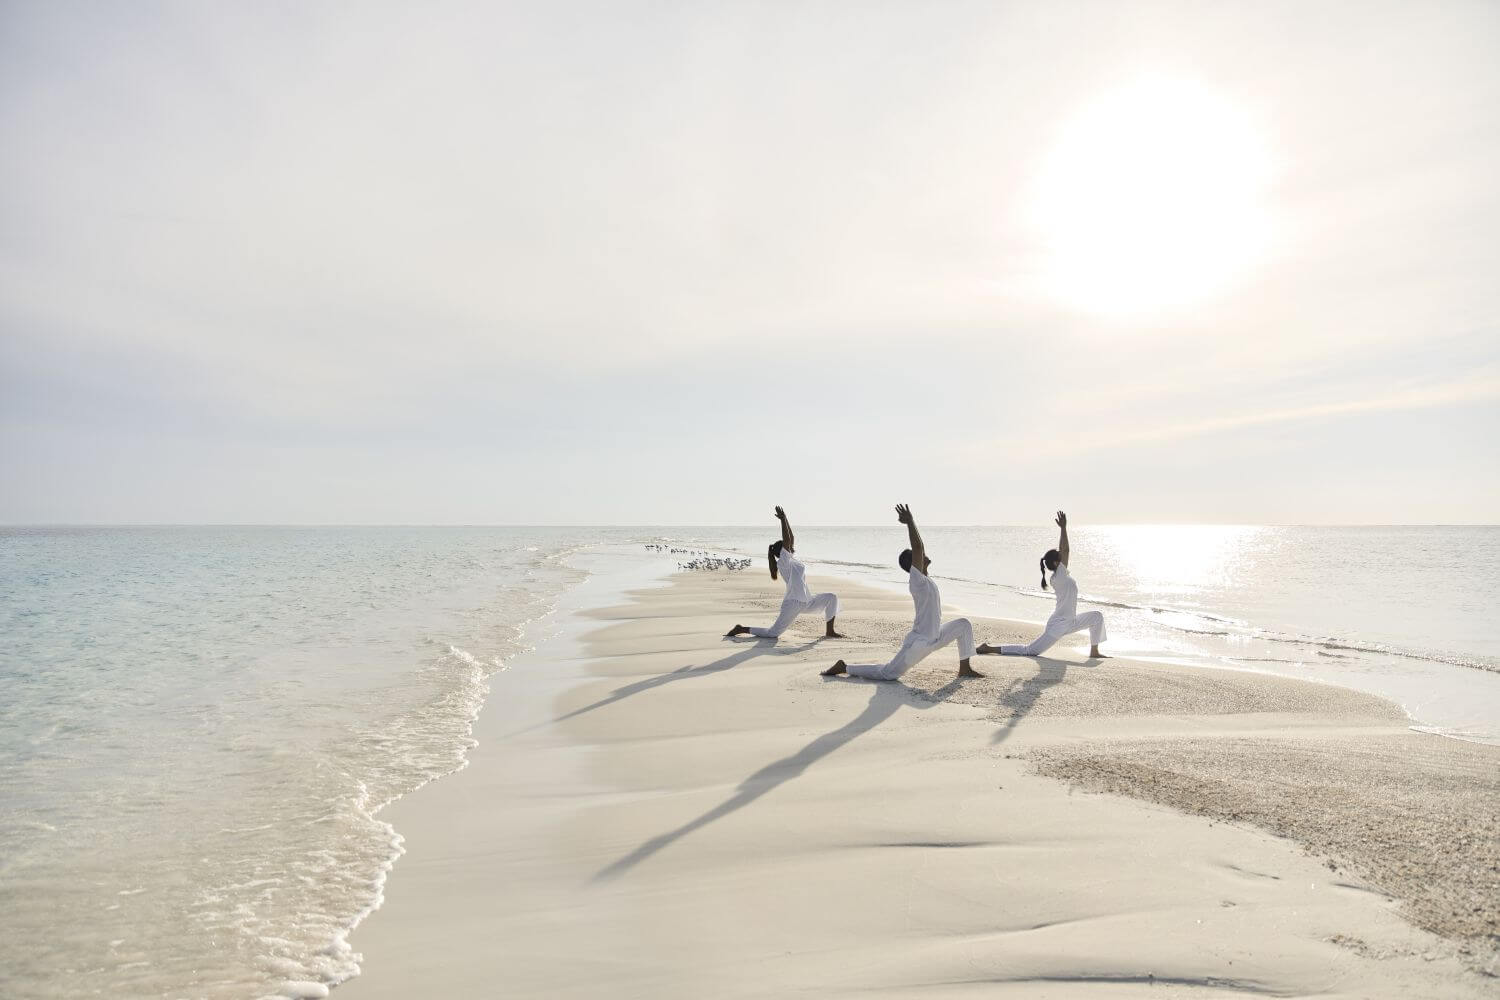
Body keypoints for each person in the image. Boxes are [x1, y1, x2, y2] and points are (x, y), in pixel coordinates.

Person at [822, 504, 983, 680]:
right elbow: (919, 547)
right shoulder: (917, 581)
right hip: (919, 643)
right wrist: (910, 522)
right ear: (913, 562)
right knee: (888, 673)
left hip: (936, 635)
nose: (923, 553)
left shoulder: (926, 580)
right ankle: (845, 667)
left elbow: (920, 549)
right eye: (917, 555)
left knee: (963, 625)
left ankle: (965, 669)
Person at [977, 510, 1108, 659]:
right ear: (1055, 563)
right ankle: (988, 648)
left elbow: (1062, 550)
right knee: (1029, 651)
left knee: (1097, 617)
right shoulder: (1059, 577)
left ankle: (1094, 651)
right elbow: (1065, 550)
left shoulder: (1061, 575)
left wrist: (1062, 531)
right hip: (1058, 625)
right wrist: (1063, 528)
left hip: (1070, 621)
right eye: (1059, 557)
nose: (1062, 556)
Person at [725, 506, 843, 640]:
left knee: (831, 598)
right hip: (793, 603)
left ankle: (829, 631)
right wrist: (782, 520)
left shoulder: (792, 559)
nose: (792, 546)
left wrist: (786, 518)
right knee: (773, 633)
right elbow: (787, 540)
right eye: (788, 547)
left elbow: (791, 538)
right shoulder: (783, 562)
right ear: (782, 552)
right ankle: (741, 628)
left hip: (807, 600)